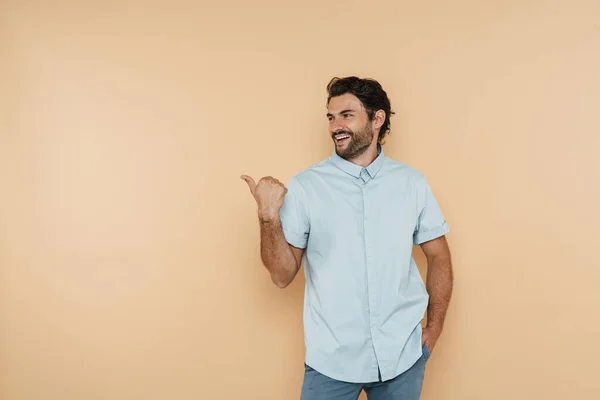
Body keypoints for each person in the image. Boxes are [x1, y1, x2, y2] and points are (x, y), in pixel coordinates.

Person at [241, 76, 453, 400]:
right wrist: (268, 217)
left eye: (347, 115)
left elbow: (439, 255)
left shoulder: (411, 184)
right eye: (330, 117)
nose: (335, 126)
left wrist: (434, 327)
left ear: (377, 118)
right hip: (332, 362)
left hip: (402, 358)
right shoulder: (306, 187)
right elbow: (282, 276)